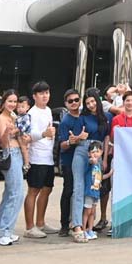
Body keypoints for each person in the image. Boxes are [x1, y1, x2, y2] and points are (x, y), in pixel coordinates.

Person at [64, 88, 109, 243]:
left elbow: (106, 138)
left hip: (98, 152)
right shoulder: (82, 118)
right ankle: (77, 226)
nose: (91, 105)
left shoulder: (105, 117)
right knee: (78, 188)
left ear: (98, 101)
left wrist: (104, 159)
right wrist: (79, 137)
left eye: (93, 101)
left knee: (93, 188)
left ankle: (89, 227)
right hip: (82, 151)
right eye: (87, 103)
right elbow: (74, 138)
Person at [21, 80, 58, 238]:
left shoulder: (48, 110)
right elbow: (28, 135)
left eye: (47, 93)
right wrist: (44, 134)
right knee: (33, 190)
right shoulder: (32, 113)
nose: (45, 96)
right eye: (41, 93)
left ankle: (41, 223)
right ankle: (30, 227)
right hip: (36, 157)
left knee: (47, 189)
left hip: (48, 156)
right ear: (34, 96)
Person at [0, 90, 29, 246]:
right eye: (10, 101)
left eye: (15, 102)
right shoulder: (2, 118)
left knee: (11, 194)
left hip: (17, 153)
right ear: (3, 102)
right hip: (10, 153)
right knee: (16, 194)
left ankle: (2, 231)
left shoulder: (14, 116)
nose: (13, 104)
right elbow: (2, 142)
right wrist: (8, 132)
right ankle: (4, 231)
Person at [54, 89, 81, 235]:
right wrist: (71, 141)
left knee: (81, 192)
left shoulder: (84, 117)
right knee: (68, 191)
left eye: (76, 100)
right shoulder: (65, 121)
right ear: (66, 103)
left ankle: (79, 223)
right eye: (70, 101)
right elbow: (62, 145)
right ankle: (64, 225)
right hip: (69, 161)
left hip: (84, 160)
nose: (74, 103)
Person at [81, 141, 105, 241]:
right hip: (89, 192)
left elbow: (100, 177)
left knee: (92, 212)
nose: (95, 154)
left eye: (97, 151)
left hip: (96, 192)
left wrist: (110, 173)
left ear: (101, 152)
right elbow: (91, 162)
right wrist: (92, 160)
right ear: (89, 153)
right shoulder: (90, 162)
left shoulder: (98, 165)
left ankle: (90, 230)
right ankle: (83, 230)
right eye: (92, 152)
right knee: (87, 211)